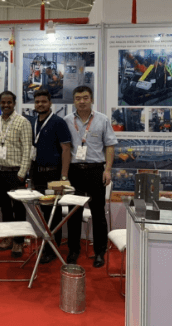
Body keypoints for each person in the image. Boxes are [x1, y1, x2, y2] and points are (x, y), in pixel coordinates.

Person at [63, 85, 118, 268]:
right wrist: (64, 175)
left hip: (96, 171)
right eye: (78, 98)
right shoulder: (67, 120)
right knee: (74, 213)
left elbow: (110, 146)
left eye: (85, 98)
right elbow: (65, 148)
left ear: (91, 99)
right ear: (74, 101)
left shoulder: (102, 120)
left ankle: (100, 252)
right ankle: (73, 250)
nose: (82, 101)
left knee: (98, 213)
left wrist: (107, 170)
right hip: (75, 172)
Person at [29, 89, 71, 264]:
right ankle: (47, 244)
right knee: (43, 212)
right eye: (37, 102)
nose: (40, 104)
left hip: (53, 175)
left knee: (53, 213)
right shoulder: (33, 122)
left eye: (43, 101)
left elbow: (66, 150)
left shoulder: (58, 122)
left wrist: (63, 177)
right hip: (37, 174)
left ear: (50, 103)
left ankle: (53, 248)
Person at [0, 90, 32, 258]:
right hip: (0, 172)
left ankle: (18, 241)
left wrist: (22, 174)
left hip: (16, 174)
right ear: (0, 104)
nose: (6, 105)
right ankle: (8, 238)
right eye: (3, 102)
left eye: (9, 102)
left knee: (18, 209)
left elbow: (27, 150)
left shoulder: (23, 122)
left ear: (14, 104)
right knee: (4, 208)